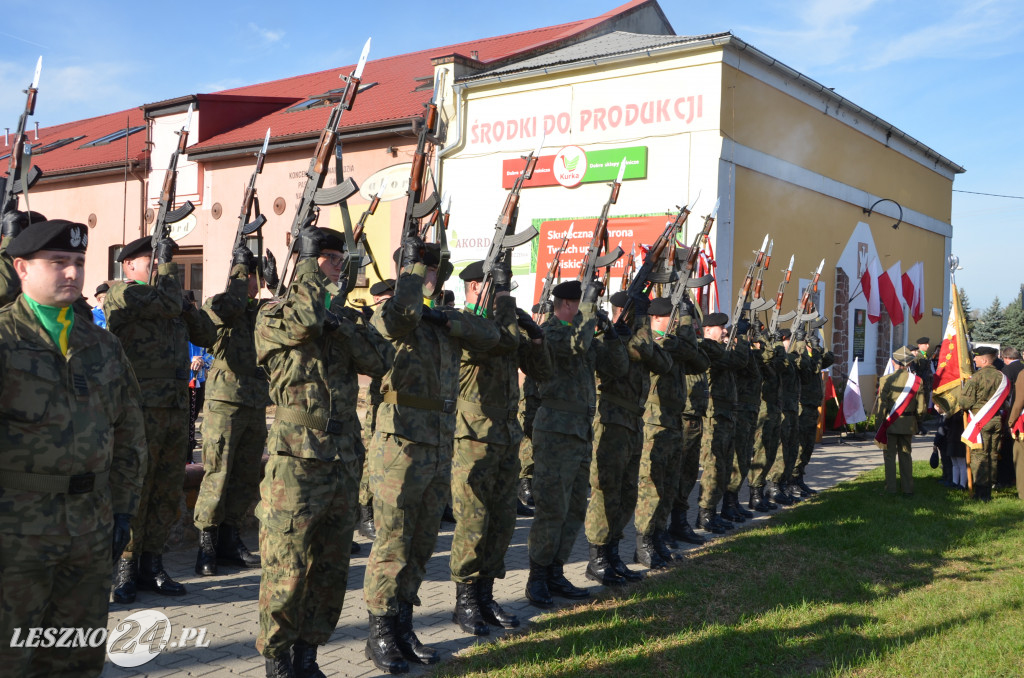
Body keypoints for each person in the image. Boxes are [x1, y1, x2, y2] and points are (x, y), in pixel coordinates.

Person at [0, 219, 147, 677]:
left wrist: (123, 510)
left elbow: (129, 432)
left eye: (79, 263)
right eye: (58, 262)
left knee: (77, 658)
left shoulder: (102, 345)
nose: (71, 273)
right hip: (16, 533)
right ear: (21, 268)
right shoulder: (5, 340)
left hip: (90, 528)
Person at [254, 225, 391, 678]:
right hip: (296, 463)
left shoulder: (339, 319)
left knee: (330, 568)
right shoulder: (274, 314)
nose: (338, 269)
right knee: (286, 569)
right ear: (311, 262)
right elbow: (303, 322)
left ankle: (308, 656)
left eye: (338, 261)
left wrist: (344, 323)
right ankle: (278, 661)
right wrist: (313, 274)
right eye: (331, 260)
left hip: (342, 458)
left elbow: (381, 360)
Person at [363, 237, 499, 675]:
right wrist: (412, 275)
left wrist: (447, 319)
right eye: (424, 269)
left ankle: (404, 625)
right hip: (400, 445)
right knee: (393, 543)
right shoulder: (392, 313)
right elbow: (398, 317)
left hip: (440, 444)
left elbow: (490, 335)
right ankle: (380, 631)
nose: (431, 277)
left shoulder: (443, 319)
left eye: (435, 270)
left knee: (422, 543)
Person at [105, 234, 216, 603]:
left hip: (174, 407)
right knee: (136, 487)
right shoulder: (122, 294)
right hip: (138, 410)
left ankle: (152, 564)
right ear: (128, 265)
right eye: (150, 260)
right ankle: (125, 566)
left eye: (159, 260)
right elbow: (165, 300)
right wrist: (171, 277)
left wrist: (188, 308)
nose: (156, 265)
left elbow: (207, 333)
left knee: (166, 489)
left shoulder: (170, 302)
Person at [449, 260, 551, 635]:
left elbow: (541, 371)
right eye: (501, 290)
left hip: (506, 436)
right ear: (476, 288)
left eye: (509, 293)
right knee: (473, 522)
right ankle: (465, 602)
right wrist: (507, 315)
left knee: (502, 522)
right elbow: (493, 342)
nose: (507, 299)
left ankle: (486, 595)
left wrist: (536, 338)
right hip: (473, 437)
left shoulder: (505, 325)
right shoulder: (465, 324)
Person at [525, 280, 628, 607]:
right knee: (551, 508)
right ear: (568, 305)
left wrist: (611, 335)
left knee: (573, 509)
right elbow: (577, 346)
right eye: (585, 303)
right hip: (555, 430)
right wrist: (589, 312)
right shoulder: (553, 333)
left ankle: (555, 572)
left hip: (580, 431)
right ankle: (537, 577)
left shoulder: (583, 333)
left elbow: (616, 369)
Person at [192, 246, 269, 577]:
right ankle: (206, 544)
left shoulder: (262, 311)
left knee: (246, 474)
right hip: (224, 402)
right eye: (249, 277)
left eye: (254, 277)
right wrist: (238, 272)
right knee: (218, 473)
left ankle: (230, 538)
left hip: (255, 402)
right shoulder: (221, 303)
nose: (253, 283)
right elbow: (225, 310)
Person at [585, 291, 670, 582]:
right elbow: (634, 352)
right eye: (638, 311)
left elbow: (663, 363)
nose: (641, 317)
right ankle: (596, 557)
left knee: (626, 492)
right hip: (610, 419)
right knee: (606, 490)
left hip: (633, 421)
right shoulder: (610, 334)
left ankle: (612, 554)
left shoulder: (636, 336)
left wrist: (642, 326)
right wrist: (641, 324)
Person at [632, 296, 705, 569]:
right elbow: (675, 348)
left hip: (673, 421)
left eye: (678, 318)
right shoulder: (652, 340)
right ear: (657, 319)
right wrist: (685, 325)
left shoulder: (676, 344)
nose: (676, 322)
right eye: (672, 317)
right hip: (653, 422)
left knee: (667, 486)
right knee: (651, 486)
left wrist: (686, 323)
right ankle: (643, 544)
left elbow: (700, 361)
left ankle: (658, 538)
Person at [696, 312, 749, 531]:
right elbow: (738, 360)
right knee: (713, 467)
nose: (725, 331)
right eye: (721, 327)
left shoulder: (719, 349)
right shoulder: (708, 348)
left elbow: (740, 361)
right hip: (713, 417)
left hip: (725, 415)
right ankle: (705, 514)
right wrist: (741, 339)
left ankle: (714, 511)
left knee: (724, 466)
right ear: (708, 330)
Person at [357, 278, 395, 542]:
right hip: (379, 398)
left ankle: (380, 512)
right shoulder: (375, 321)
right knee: (372, 455)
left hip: (399, 399)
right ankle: (365, 512)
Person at [958, 345, 1010, 501]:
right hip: (996, 420)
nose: (974, 359)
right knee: (992, 454)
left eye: (977, 357)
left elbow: (965, 403)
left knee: (979, 456)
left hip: (980, 422)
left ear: (985, 360)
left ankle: (981, 493)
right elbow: (1006, 402)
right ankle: (989, 487)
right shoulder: (1002, 377)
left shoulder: (977, 377)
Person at [874, 346, 926, 495]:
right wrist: (918, 420)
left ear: (893, 361)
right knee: (906, 455)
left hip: (890, 423)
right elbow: (921, 408)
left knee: (889, 456)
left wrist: (879, 425)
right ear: (909, 363)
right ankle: (908, 489)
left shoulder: (886, 379)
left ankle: (890, 488)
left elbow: (882, 404)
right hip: (908, 423)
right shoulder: (917, 380)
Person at [792, 328, 834, 495]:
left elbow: (830, 358)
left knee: (808, 447)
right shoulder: (798, 357)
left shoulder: (814, 358)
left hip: (811, 407)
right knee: (799, 446)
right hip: (802, 407)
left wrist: (819, 347)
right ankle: (792, 479)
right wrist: (805, 345)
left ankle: (799, 478)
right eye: (809, 343)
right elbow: (811, 368)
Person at [765, 329, 802, 505]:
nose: (791, 343)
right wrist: (779, 344)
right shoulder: (780, 358)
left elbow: (807, 366)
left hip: (791, 409)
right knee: (781, 450)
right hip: (781, 410)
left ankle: (784, 484)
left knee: (790, 449)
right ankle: (774, 486)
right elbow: (782, 365)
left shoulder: (790, 357)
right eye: (788, 340)